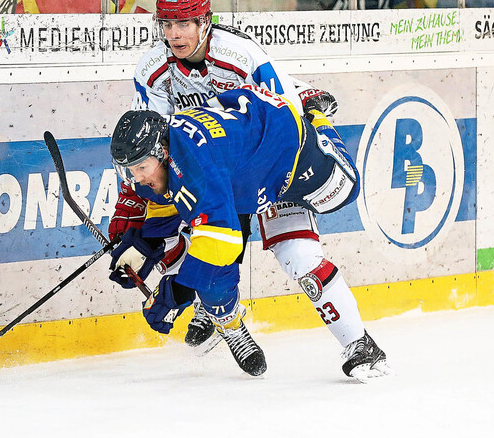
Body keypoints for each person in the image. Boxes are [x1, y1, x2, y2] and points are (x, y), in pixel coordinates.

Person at [109, 0, 340, 351]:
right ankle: (211, 301)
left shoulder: (240, 55)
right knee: (181, 225)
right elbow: (149, 142)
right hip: (195, 156)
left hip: (249, 153)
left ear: (205, 21)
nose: (174, 34)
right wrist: (133, 213)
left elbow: (284, 113)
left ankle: (208, 300)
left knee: (227, 221)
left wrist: (308, 111)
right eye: (167, 24)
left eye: (184, 23)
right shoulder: (153, 68)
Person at [108, 85, 391, 380]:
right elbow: (170, 212)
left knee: (337, 202)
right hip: (243, 172)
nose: (136, 178)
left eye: (141, 167)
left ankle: (315, 113)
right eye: (129, 170)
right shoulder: (163, 159)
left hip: (291, 157)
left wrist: (176, 292)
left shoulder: (198, 168)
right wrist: (141, 248)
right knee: (206, 254)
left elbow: (223, 243)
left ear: (163, 152)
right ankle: (227, 321)